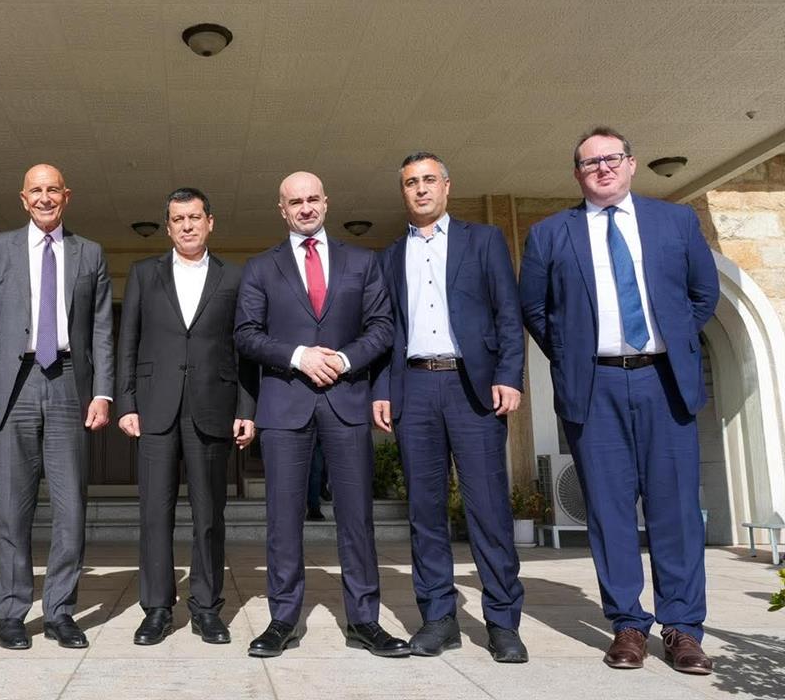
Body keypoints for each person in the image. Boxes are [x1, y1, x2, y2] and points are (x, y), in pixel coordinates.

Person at [519, 126, 719, 674]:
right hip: (595, 386)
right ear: (577, 174)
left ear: (631, 163)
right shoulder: (549, 234)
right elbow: (534, 309)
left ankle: (682, 628)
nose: (602, 168)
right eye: (590, 162)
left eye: (612, 158)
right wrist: (573, 355)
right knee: (608, 511)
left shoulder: (675, 221)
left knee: (676, 510)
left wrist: (672, 340)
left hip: (663, 382)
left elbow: (703, 294)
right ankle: (628, 624)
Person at [234, 171, 406, 659]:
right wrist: (298, 356)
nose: (305, 207)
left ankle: (364, 620)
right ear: (282, 209)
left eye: (312, 199)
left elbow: (382, 326)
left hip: (346, 401)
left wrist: (345, 360)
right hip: (285, 405)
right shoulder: (260, 267)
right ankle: (283, 620)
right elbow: (246, 334)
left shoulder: (362, 262)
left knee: (356, 517)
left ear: (326, 203)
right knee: (283, 519)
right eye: (295, 202)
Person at [371, 152, 528, 663]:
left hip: (472, 388)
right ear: (403, 192)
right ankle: (439, 618)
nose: (420, 189)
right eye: (410, 183)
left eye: (428, 180)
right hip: (414, 388)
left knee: (488, 509)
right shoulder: (389, 256)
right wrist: (382, 389)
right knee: (425, 511)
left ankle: (502, 622)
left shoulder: (483, 240)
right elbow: (385, 331)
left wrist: (508, 375)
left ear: (446, 186)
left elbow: (508, 314)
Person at [0, 164, 114, 650]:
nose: (45, 197)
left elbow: (101, 329)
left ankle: (60, 612)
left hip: (70, 382)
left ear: (66, 196)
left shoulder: (89, 252)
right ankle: (12, 612)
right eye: (36, 190)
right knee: (13, 507)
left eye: (53, 190)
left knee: (71, 508)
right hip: (13, 385)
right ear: (23, 198)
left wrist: (103, 391)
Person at [116, 187, 257, 646]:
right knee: (154, 514)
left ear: (210, 222)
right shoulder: (144, 273)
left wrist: (246, 409)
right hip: (155, 408)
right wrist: (126, 402)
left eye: (195, 217)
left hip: (213, 407)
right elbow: (128, 341)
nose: (187, 226)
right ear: (168, 227)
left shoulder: (235, 277)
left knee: (209, 514)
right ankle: (157, 609)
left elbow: (244, 349)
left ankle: (206, 608)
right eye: (178, 219)